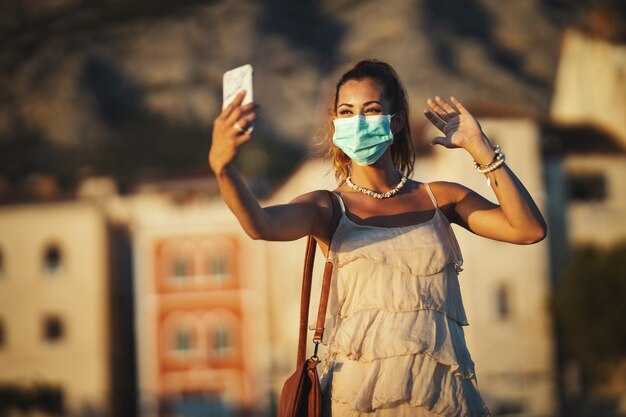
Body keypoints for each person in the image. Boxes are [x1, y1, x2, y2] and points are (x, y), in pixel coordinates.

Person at [209, 60, 546, 417]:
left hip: (441, 398)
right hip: (357, 400)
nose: (358, 122)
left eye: (370, 110)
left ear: (395, 121)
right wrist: (224, 169)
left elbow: (527, 230)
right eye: (346, 112)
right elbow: (260, 226)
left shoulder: (441, 199)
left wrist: (480, 149)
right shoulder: (327, 206)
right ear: (336, 124)